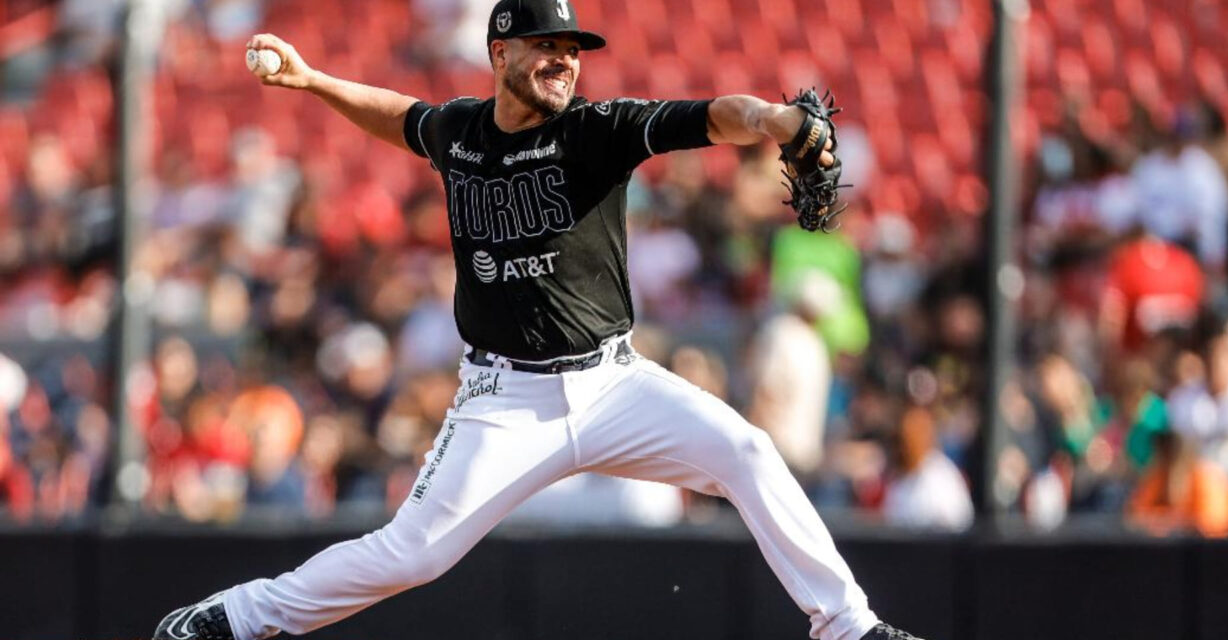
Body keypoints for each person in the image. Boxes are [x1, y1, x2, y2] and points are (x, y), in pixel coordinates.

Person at [152, 1, 924, 639]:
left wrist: (777, 119)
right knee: (411, 555)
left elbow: (713, 116)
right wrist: (316, 80)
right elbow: (403, 119)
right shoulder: (461, 132)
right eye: (546, 46)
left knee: (747, 452)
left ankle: (850, 627)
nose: (564, 60)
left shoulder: (594, 131)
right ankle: (236, 617)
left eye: (572, 50)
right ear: (499, 52)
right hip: (504, 398)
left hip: (613, 384)